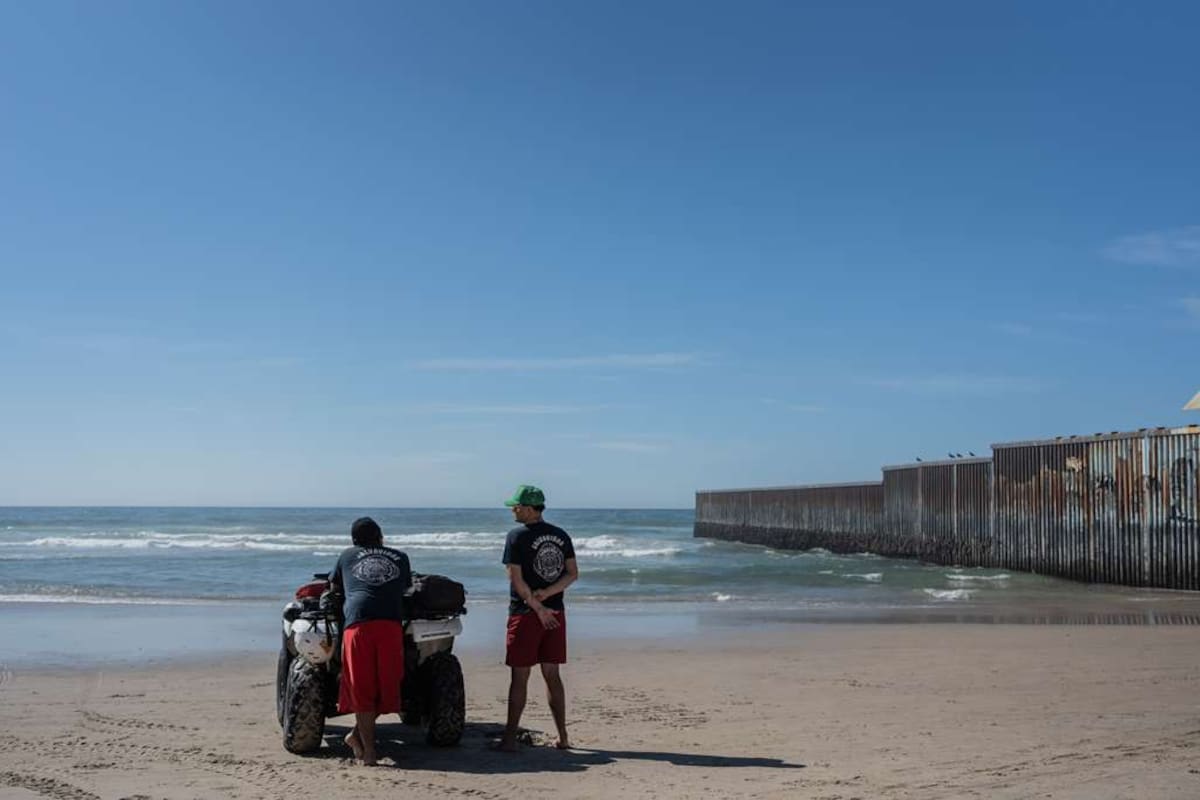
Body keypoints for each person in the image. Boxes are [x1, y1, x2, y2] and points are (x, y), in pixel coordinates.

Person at [496, 485, 578, 751]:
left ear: (530, 509)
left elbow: (516, 580)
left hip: (526, 614)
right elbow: (572, 574)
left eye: (517, 506)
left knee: (520, 677)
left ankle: (508, 739)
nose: (513, 509)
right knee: (552, 674)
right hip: (555, 613)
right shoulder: (561, 535)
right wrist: (548, 596)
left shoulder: (516, 537)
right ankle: (563, 737)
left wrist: (537, 607)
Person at [330, 516, 411, 766]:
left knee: (362, 687)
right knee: (388, 688)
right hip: (390, 624)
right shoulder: (400, 556)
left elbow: (334, 588)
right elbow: (407, 588)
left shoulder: (346, 556)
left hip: (357, 624)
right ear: (381, 536)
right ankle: (368, 750)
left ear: (354, 540)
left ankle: (360, 741)